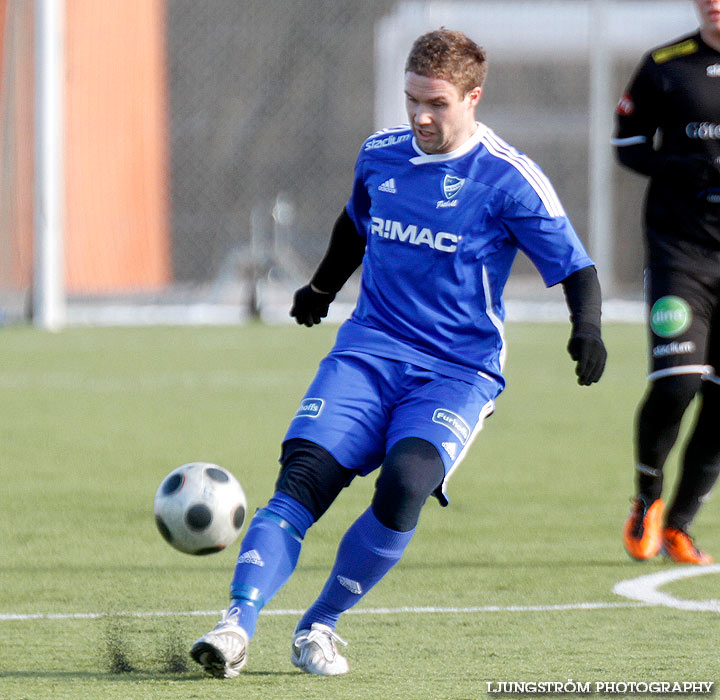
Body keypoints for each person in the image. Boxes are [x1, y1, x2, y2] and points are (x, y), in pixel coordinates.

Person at [190, 28, 607, 679]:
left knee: (405, 487)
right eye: (412, 99)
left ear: (473, 97)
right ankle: (235, 625)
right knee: (300, 483)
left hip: (456, 374)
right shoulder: (381, 155)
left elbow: (576, 268)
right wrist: (321, 287)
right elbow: (354, 225)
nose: (420, 115)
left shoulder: (509, 179)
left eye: (436, 103)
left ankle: (319, 625)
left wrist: (588, 327)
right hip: (367, 354)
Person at [614, 0, 720, 565]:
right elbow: (627, 145)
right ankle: (647, 500)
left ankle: (680, 524)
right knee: (678, 383)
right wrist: (674, 168)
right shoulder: (665, 64)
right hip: (681, 252)